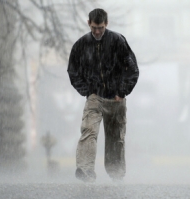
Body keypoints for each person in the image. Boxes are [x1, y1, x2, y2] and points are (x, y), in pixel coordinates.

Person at [67, 8, 139, 183]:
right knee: (88, 131)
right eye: (93, 28)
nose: (97, 31)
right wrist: (87, 91)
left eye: (100, 27)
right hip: (95, 98)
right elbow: (73, 70)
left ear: (106, 24)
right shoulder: (81, 45)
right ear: (88, 24)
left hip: (116, 99)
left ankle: (116, 174)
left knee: (116, 139)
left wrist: (122, 92)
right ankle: (85, 170)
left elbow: (132, 70)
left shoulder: (118, 41)